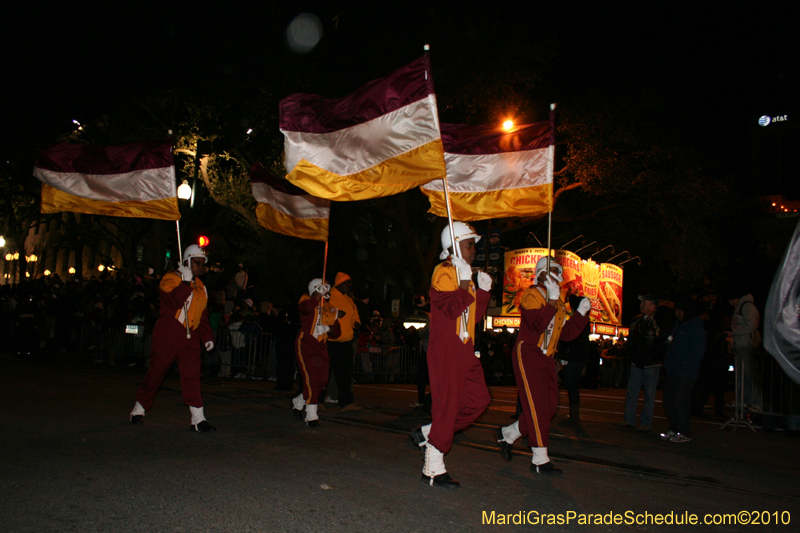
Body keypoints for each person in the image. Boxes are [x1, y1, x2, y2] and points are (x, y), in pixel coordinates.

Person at [410, 222, 492, 489]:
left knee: (479, 400)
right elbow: (451, 310)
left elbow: (472, 318)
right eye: (469, 245)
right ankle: (433, 466)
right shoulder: (444, 271)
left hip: (465, 348)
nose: (474, 251)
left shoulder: (462, 273)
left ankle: (430, 432)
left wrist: (483, 292)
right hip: (447, 350)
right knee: (446, 407)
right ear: (454, 246)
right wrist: (467, 282)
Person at [494, 256, 591, 475]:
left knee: (549, 407)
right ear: (542, 274)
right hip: (529, 352)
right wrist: (550, 302)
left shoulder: (556, 301)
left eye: (559, 271)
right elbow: (537, 325)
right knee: (537, 407)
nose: (558, 276)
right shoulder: (531, 294)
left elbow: (564, 334)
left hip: (547, 358)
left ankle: (509, 434)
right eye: (553, 271)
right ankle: (539, 457)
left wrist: (580, 315)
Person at [129, 245, 216, 432]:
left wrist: (207, 336)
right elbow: (173, 302)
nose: (201, 267)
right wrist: (184, 282)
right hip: (169, 333)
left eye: (203, 263)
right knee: (156, 373)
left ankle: (198, 419)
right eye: (197, 262)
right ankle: (139, 407)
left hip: (190, 336)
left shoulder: (201, 286)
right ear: (187, 261)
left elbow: (202, 314)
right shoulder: (170, 279)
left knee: (192, 376)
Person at [292, 279, 342, 427]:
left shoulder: (330, 308)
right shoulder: (307, 301)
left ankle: (300, 400)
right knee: (311, 379)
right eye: (321, 288)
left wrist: (327, 329)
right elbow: (304, 309)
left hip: (321, 347)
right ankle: (311, 415)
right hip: (306, 343)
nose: (325, 291)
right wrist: (316, 297)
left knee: (322, 382)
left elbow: (337, 331)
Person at [616, 294, 670, 432]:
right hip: (638, 363)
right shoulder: (637, 322)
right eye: (642, 303)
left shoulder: (658, 323)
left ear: (653, 306)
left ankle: (645, 422)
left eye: (645, 303)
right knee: (633, 392)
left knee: (649, 395)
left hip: (651, 364)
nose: (641, 305)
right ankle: (629, 419)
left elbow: (665, 342)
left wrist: (656, 356)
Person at [661, 299, 706, 443]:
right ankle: (675, 428)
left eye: (679, 311)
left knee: (680, 401)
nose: (676, 313)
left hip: (685, 372)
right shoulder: (679, 326)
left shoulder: (694, 327)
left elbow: (697, 351)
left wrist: (686, 365)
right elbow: (670, 343)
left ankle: (684, 431)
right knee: (669, 400)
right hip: (674, 370)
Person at [327, 272, 362, 411]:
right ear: (339, 284)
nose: (349, 286)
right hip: (331, 342)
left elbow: (355, 315)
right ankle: (316, 399)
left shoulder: (349, 300)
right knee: (325, 373)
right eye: (347, 283)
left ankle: (346, 402)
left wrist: (356, 322)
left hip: (346, 343)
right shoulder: (329, 298)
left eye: (350, 283)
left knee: (346, 374)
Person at [728, 291, 762, 411]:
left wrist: (734, 333)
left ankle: (756, 402)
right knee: (742, 375)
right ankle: (744, 400)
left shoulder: (747, 307)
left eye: (732, 300)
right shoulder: (742, 307)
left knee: (749, 374)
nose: (731, 303)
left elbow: (751, 325)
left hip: (747, 345)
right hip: (742, 344)